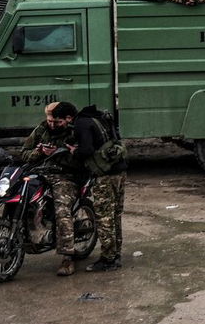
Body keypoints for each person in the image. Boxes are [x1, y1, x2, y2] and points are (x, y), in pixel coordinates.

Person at [20, 100, 81, 275]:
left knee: (62, 210)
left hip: (65, 176)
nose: (52, 125)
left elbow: (82, 160)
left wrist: (59, 153)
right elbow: (24, 153)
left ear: (67, 119)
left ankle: (67, 257)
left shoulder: (75, 132)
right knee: (22, 199)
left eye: (56, 122)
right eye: (50, 121)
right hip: (40, 173)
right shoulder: (41, 130)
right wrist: (39, 152)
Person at [75, 104, 126, 272]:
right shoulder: (103, 118)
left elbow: (87, 149)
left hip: (104, 176)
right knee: (115, 215)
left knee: (104, 218)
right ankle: (116, 254)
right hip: (120, 171)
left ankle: (108, 259)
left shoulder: (82, 123)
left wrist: (74, 151)